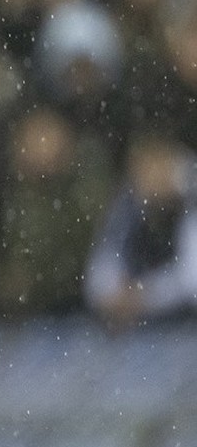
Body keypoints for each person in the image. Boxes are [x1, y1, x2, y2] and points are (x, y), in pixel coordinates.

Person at [84, 128, 197, 329]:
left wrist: (145, 296)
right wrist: (114, 294)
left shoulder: (190, 198)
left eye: (156, 165)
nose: (150, 175)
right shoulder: (128, 202)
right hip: (144, 328)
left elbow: (191, 280)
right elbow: (100, 269)